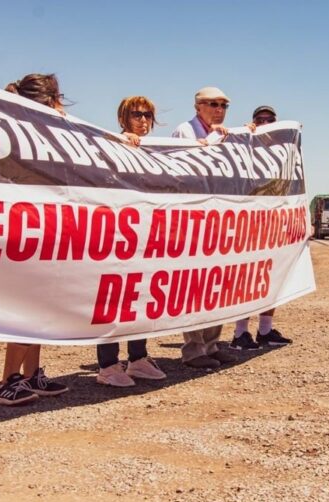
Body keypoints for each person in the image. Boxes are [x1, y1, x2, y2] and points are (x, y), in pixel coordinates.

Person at [0, 74, 71, 405]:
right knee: (26, 306)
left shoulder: (50, 130)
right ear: (51, 99)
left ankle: (31, 373)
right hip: (25, 227)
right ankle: (9, 379)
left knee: (39, 305)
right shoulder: (17, 130)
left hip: (45, 225)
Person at [95, 96, 167, 387]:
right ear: (123, 117)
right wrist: (120, 142)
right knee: (114, 299)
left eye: (148, 114)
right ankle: (108, 365)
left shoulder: (156, 151)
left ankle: (138, 358)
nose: (143, 120)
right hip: (118, 237)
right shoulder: (111, 143)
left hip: (146, 237)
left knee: (141, 298)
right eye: (136, 114)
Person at [171, 87, 240, 369]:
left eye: (224, 104)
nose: (219, 109)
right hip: (192, 218)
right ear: (198, 106)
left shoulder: (224, 134)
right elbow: (184, 166)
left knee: (216, 284)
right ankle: (193, 349)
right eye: (213, 104)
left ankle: (212, 344)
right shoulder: (184, 132)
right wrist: (215, 139)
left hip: (216, 218)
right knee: (194, 285)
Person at [231, 106, 293, 350]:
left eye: (270, 120)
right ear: (253, 121)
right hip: (249, 224)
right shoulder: (245, 146)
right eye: (260, 119)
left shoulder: (284, 153)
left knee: (272, 278)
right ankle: (240, 333)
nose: (265, 123)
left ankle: (265, 331)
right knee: (247, 280)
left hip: (274, 224)